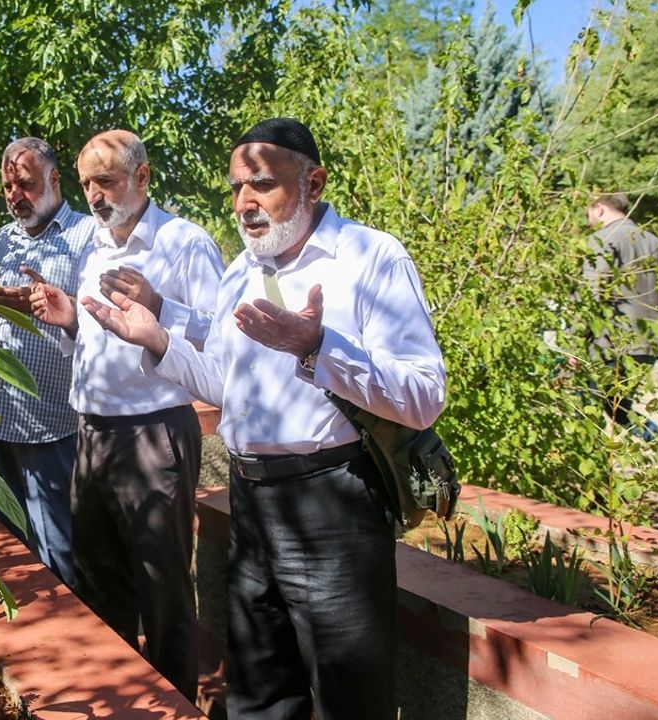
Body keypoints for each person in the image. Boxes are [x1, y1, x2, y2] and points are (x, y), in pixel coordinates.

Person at [80, 118, 446, 719]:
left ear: (314, 183)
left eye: (262, 185)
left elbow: (424, 393)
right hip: (253, 509)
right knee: (259, 697)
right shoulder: (241, 273)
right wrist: (159, 338)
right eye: (235, 188)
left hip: (333, 506)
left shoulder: (371, 257)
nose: (245, 204)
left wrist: (318, 347)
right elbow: (226, 385)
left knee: (348, 699)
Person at [28, 129, 225, 700]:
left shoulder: (185, 244)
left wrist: (163, 307)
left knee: (162, 595)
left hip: (153, 434)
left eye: (107, 181)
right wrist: (69, 322)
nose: (94, 195)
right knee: (98, 588)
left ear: (142, 177)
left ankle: (176, 706)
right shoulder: (92, 243)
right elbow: (97, 346)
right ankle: (119, 704)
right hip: (90, 433)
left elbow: (223, 345)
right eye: (87, 182)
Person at [0, 137, 96, 585]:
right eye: (8, 186)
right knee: (10, 560)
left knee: (60, 557)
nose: (13, 196)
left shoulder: (86, 238)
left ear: (53, 179)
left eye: (24, 184)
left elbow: (102, 326)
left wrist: (46, 307)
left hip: (54, 427)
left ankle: (78, 651)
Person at [585, 193, 658, 440]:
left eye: (588, 214)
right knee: (619, 409)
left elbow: (592, 293)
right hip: (649, 341)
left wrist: (575, 337)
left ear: (599, 209)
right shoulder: (653, 241)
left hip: (612, 343)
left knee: (593, 401)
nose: (589, 221)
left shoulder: (602, 240)